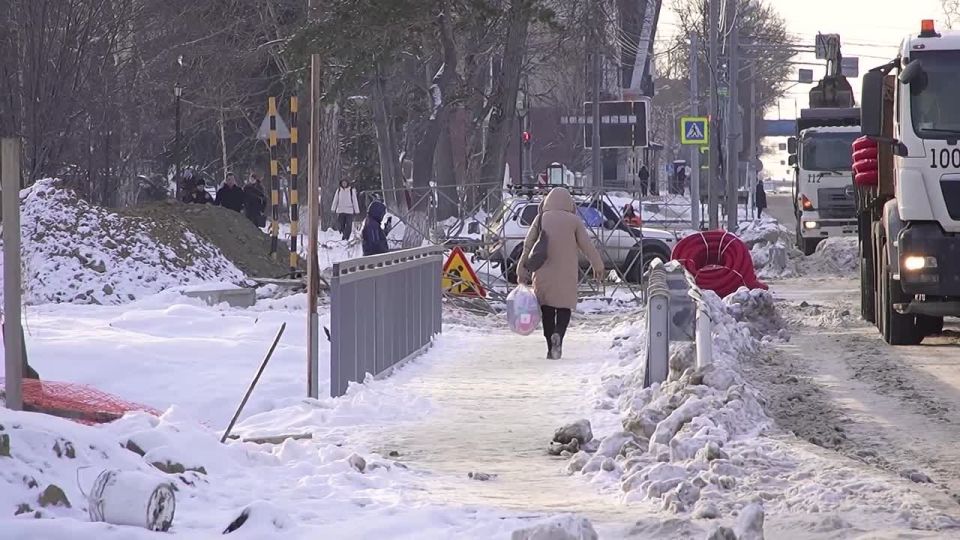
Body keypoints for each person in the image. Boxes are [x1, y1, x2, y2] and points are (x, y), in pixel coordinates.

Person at [517, 187, 604, 360]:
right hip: (567, 272)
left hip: (543, 271)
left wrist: (521, 267)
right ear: (569, 203)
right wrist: (597, 264)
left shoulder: (541, 218)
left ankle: (550, 348)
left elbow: (528, 244)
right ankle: (559, 335)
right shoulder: (574, 221)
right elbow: (587, 245)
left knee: (547, 309)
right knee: (564, 308)